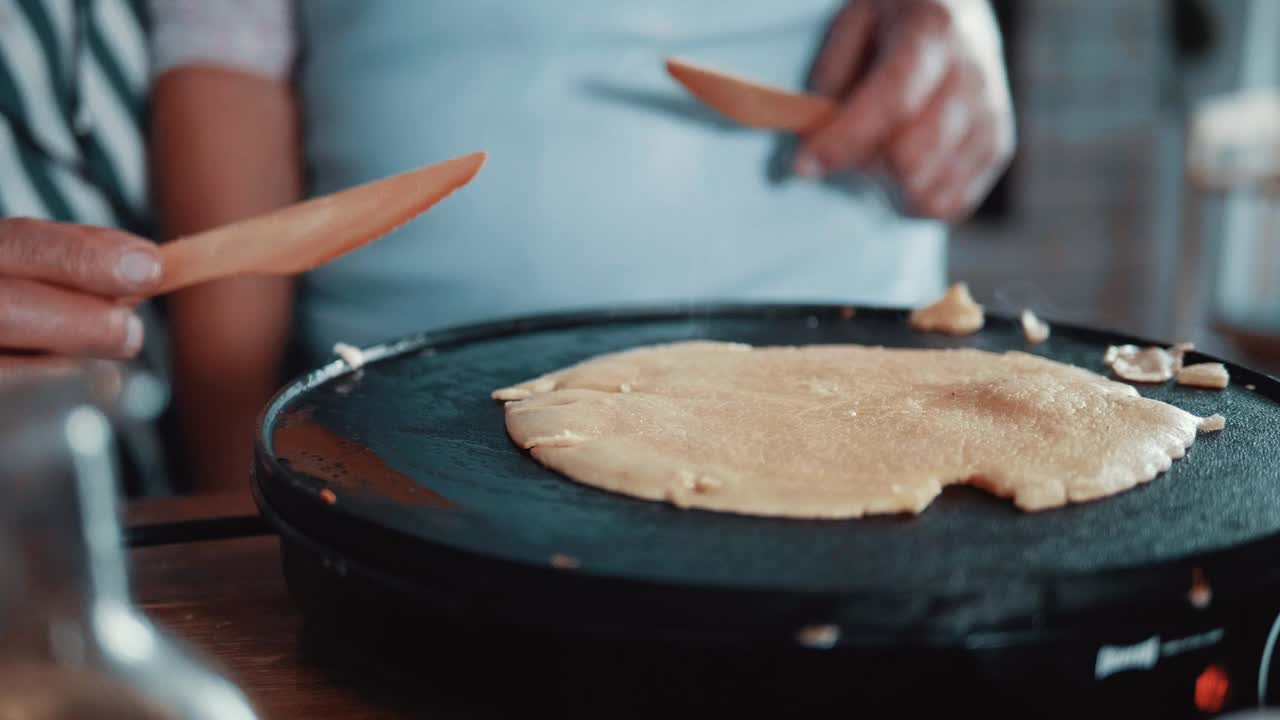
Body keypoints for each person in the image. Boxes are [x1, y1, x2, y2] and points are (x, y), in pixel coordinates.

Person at [148, 0, 1015, 490]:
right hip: (397, 446)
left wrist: (962, 29)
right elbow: (225, 49)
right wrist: (237, 486)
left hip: (855, 410)